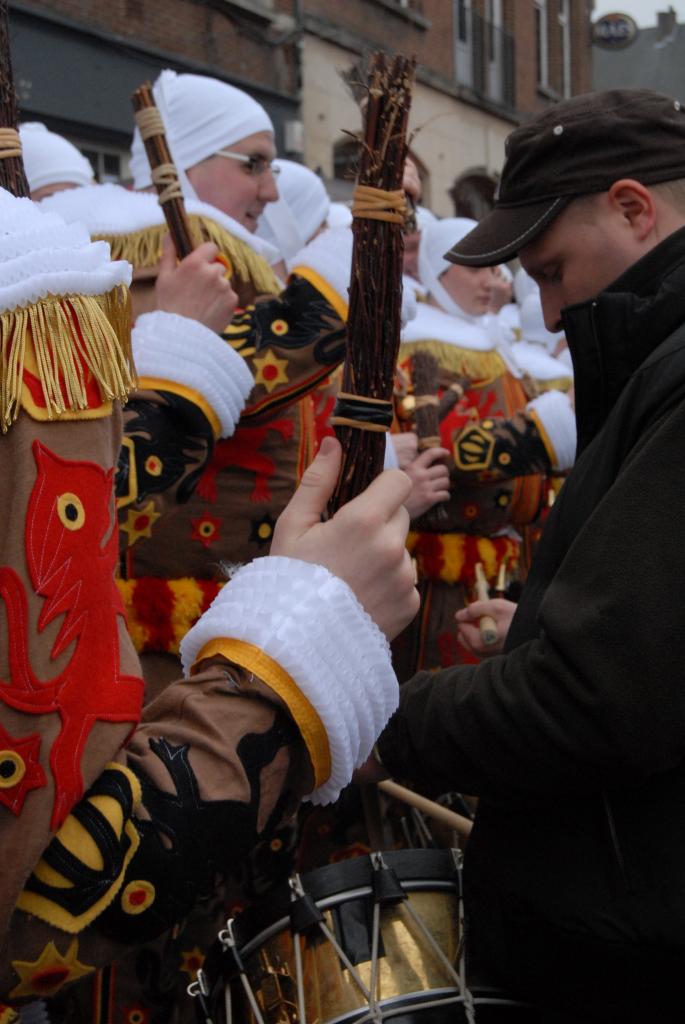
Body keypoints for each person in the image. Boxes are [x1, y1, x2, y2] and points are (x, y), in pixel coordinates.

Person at [0, 184, 418, 1010]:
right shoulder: (36, 308)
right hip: (164, 672)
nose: (266, 187)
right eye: (252, 162)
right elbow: (44, 902)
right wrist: (298, 639)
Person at [366, 88, 685, 1022]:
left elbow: (603, 698)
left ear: (633, 209)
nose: (544, 313)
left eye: (550, 268)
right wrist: (541, 629)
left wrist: (379, 715)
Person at [393, 216, 575, 679]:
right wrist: (547, 429)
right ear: (437, 268)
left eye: (494, 269)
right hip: (441, 568)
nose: (491, 282)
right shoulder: (420, 346)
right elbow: (441, 448)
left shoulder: (491, 341)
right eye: (476, 267)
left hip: (498, 559)